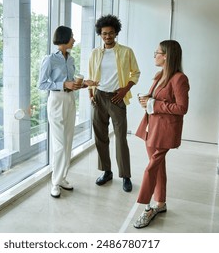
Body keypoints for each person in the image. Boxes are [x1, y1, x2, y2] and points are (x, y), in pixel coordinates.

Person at [133, 40, 190, 228]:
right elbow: (156, 101)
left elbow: (182, 108)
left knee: (151, 168)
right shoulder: (160, 75)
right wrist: (147, 100)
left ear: (166, 55)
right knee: (158, 168)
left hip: (165, 132)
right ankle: (161, 203)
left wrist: (153, 104)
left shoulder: (179, 78)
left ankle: (147, 207)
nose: (154, 55)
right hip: (152, 128)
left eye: (156, 52)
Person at [38, 26, 97, 198]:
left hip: (70, 100)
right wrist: (63, 85)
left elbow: (73, 83)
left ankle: (62, 177)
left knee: (69, 141)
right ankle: (55, 183)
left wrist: (86, 83)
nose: (74, 39)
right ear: (64, 38)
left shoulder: (70, 59)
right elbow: (41, 84)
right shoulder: (49, 60)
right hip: (56, 101)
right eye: (72, 37)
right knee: (60, 145)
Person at [88, 15, 141, 192]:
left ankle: (125, 175)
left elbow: (136, 73)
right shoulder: (95, 53)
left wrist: (125, 89)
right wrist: (91, 95)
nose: (107, 37)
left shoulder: (126, 52)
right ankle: (106, 171)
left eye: (111, 33)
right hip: (99, 97)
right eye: (104, 34)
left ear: (116, 33)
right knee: (100, 136)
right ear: (100, 34)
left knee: (120, 137)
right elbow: (90, 77)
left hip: (117, 98)